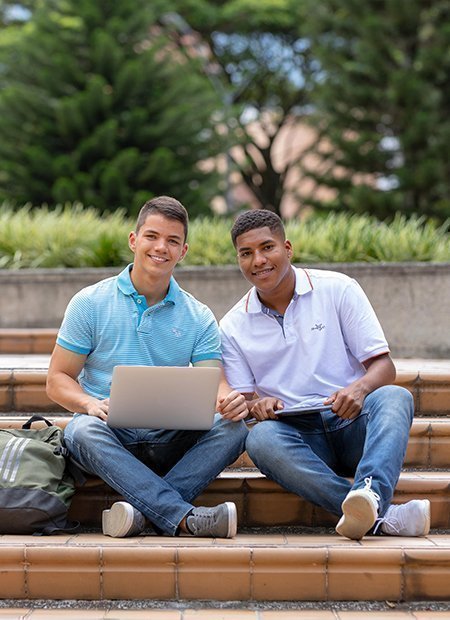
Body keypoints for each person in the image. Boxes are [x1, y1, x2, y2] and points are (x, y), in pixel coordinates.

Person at [219, 209, 430, 540]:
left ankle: (371, 496)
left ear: (287, 248)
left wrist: (359, 389)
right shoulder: (232, 326)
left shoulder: (338, 289)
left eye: (267, 247)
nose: (258, 260)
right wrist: (259, 404)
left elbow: (384, 367)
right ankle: (380, 516)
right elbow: (245, 401)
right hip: (299, 437)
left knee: (395, 397)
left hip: (351, 422)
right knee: (260, 438)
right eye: (246, 253)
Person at [46, 196, 249, 539]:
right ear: (133, 240)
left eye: (172, 241)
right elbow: (57, 379)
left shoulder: (198, 316)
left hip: (168, 439)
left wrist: (229, 400)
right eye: (152, 236)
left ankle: (141, 515)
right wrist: (89, 405)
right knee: (79, 430)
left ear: (183, 252)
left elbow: (215, 381)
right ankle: (183, 517)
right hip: (108, 435)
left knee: (236, 429)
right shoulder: (90, 302)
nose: (161, 247)